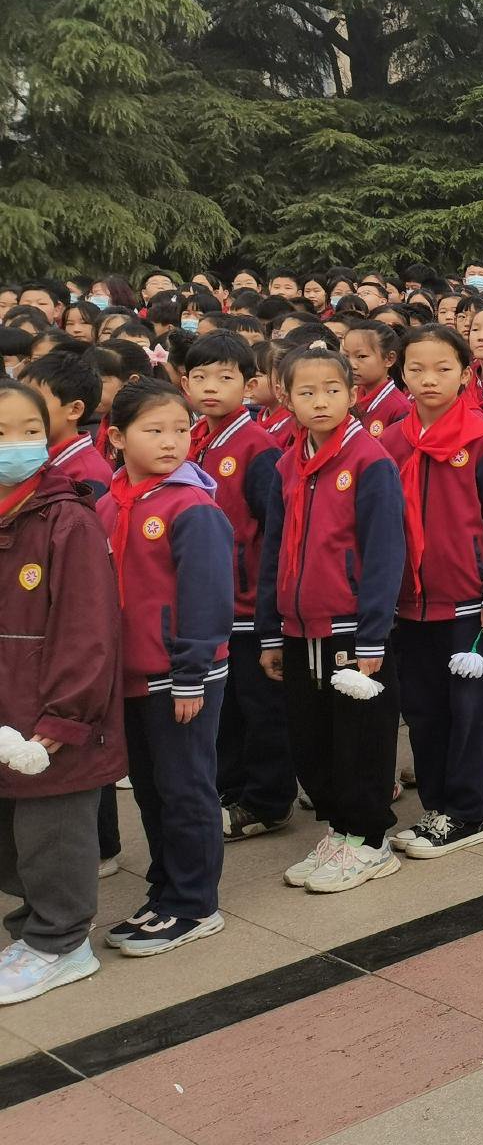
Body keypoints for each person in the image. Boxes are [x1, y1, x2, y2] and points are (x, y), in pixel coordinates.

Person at [256, 346, 407, 894]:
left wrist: (373, 634)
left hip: (351, 627)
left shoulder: (369, 461)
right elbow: (275, 547)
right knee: (313, 738)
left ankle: (370, 840)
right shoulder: (287, 462)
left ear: (353, 393)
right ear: (285, 396)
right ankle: (341, 830)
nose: (320, 401)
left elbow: (386, 551)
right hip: (299, 626)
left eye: (332, 390)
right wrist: (271, 628)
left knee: (359, 739)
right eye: (306, 392)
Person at [96, 380, 236, 955]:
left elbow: (206, 598)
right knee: (152, 791)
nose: (171, 442)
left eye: (180, 430)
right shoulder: (109, 502)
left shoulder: (191, 506)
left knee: (186, 788)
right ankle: (166, 888)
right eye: (154, 431)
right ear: (116, 438)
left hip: (182, 674)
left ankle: (195, 903)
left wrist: (190, 671)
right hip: (131, 674)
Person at [0, 380, 126, 1004]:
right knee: (14, 838)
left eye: (29, 431)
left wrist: (66, 714)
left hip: (53, 709)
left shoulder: (65, 518)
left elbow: (87, 626)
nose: (17, 445)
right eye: (2, 433)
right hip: (6, 705)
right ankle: (33, 928)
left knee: (54, 831)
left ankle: (62, 943)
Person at [386, 327, 483, 857]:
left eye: (443, 368)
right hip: (411, 601)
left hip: (467, 598)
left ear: (466, 373)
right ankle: (436, 808)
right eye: (417, 369)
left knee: (468, 711)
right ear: (403, 374)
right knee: (422, 708)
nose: (429, 379)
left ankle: (467, 813)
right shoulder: (393, 440)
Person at [180, 335, 292, 842]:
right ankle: (232, 789)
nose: (210, 387)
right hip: (212, 606)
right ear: (183, 383)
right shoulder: (195, 439)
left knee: (259, 707)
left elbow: (274, 533)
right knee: (224, 709)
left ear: (248, 385)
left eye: (224, 377)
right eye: (200, 377)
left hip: (247, 605)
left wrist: (268, 607)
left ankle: (267, 800)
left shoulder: (257, 448)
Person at [20, 350, 114, 500]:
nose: (20, 408)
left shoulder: (89, 474)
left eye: (35, 400)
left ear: (75, 410)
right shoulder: (33, 452)